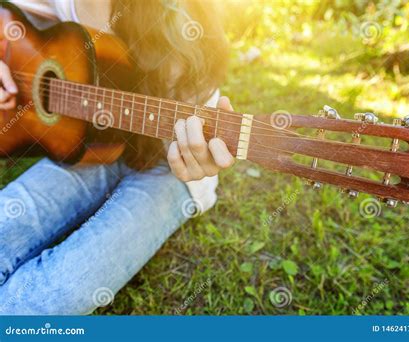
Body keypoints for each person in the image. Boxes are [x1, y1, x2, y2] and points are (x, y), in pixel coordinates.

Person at [0, 0, 234, 314]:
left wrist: (200, 161)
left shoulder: (183, 21)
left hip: (170, 164)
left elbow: (201, 136)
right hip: (88, 148)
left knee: (46, 299)